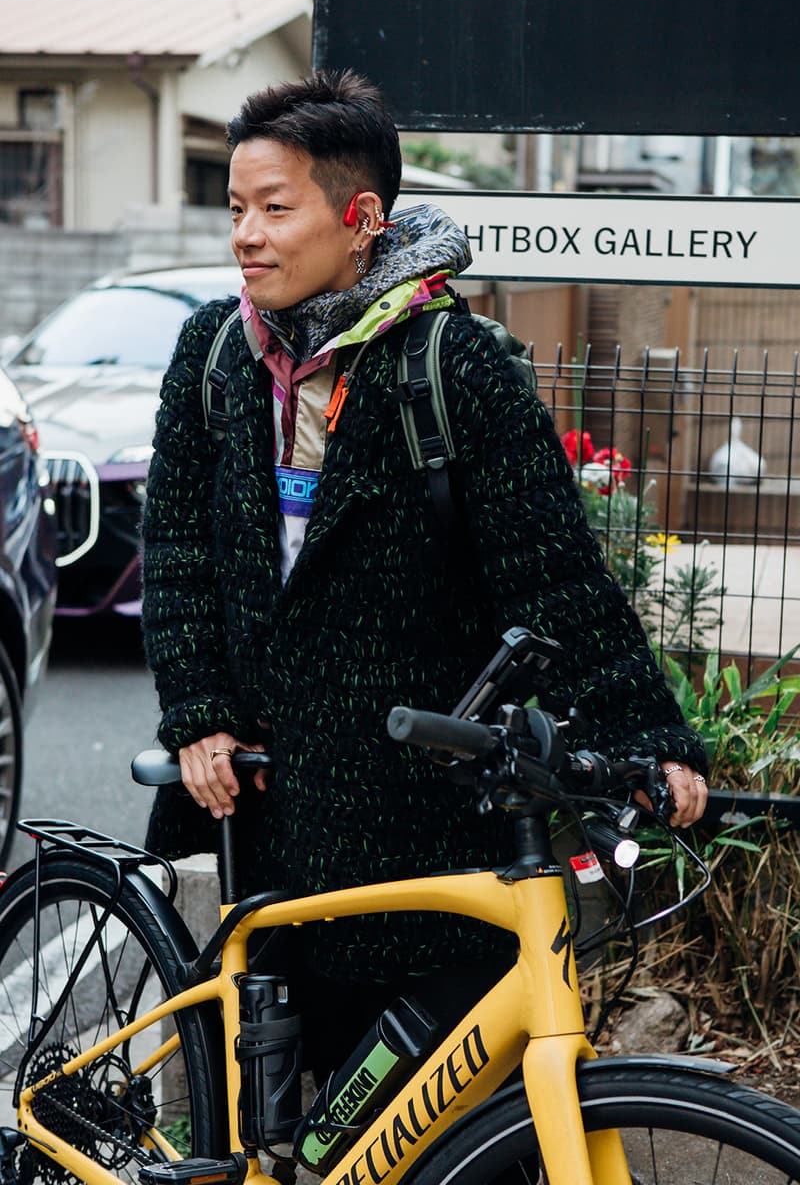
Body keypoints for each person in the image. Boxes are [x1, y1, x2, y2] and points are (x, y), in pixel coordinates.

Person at [141, 69, 708, 1078]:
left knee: (441, 1106)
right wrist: (198, 713)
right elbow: (178, 552)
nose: (246, 235)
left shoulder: (455, 366)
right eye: (235, 208)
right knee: (268, 1102)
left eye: (276, 208)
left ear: (360, 219)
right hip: (268, 806)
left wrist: (644, 738)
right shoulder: (215, 355)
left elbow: (552, 576)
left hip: (427, 803)